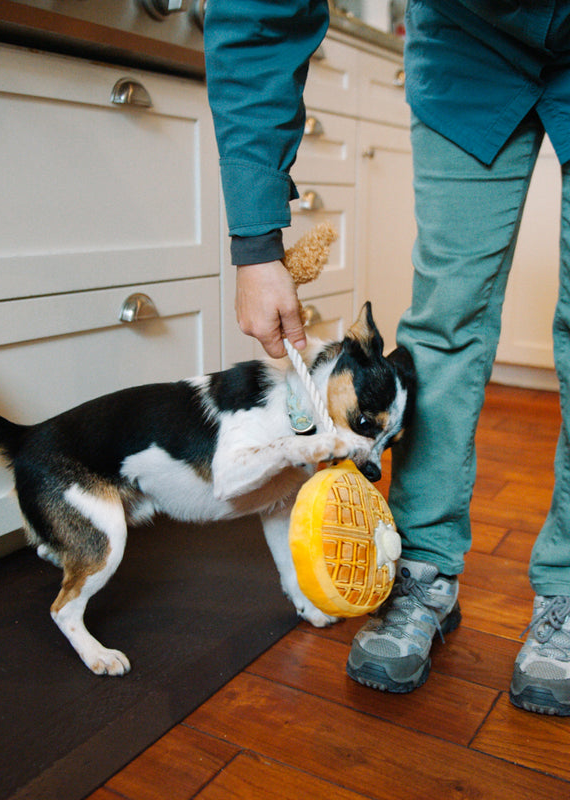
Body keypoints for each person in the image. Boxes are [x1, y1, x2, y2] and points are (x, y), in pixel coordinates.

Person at [205, 0, 570, 715]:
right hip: (469, 47)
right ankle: (424, 567)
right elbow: (258, 15)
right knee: (444, 321)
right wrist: (255, 243)